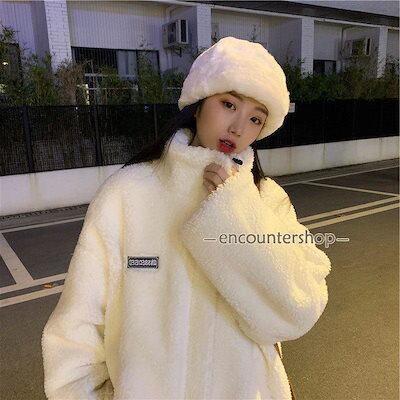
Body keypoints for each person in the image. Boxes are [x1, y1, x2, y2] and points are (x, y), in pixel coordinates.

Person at [41, 36, 331, 400]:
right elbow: (78, 328)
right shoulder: (128, 193)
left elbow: (299, 308)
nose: (238, 127)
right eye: (229, 104)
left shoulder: (266, 200)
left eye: (255, 118)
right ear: (198, 103)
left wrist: (235, 213)